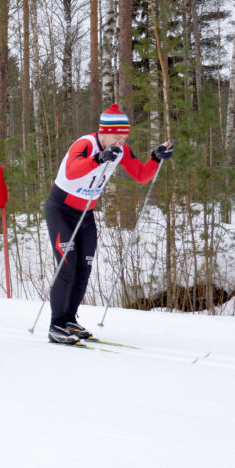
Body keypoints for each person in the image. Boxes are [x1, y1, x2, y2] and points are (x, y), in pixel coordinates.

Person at [45, 104, 173, 344]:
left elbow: (142, 175)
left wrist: (155, 158)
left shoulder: (120, 150)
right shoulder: (85, 144)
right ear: (103, 131)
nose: (119, 142)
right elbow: (72, 171)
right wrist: (97, 158)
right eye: (116, 136)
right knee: (67, 265)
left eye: (124, 137)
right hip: (61, 210)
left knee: (84, 267)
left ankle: (70, 319)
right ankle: (56, 325)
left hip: (86, 213)